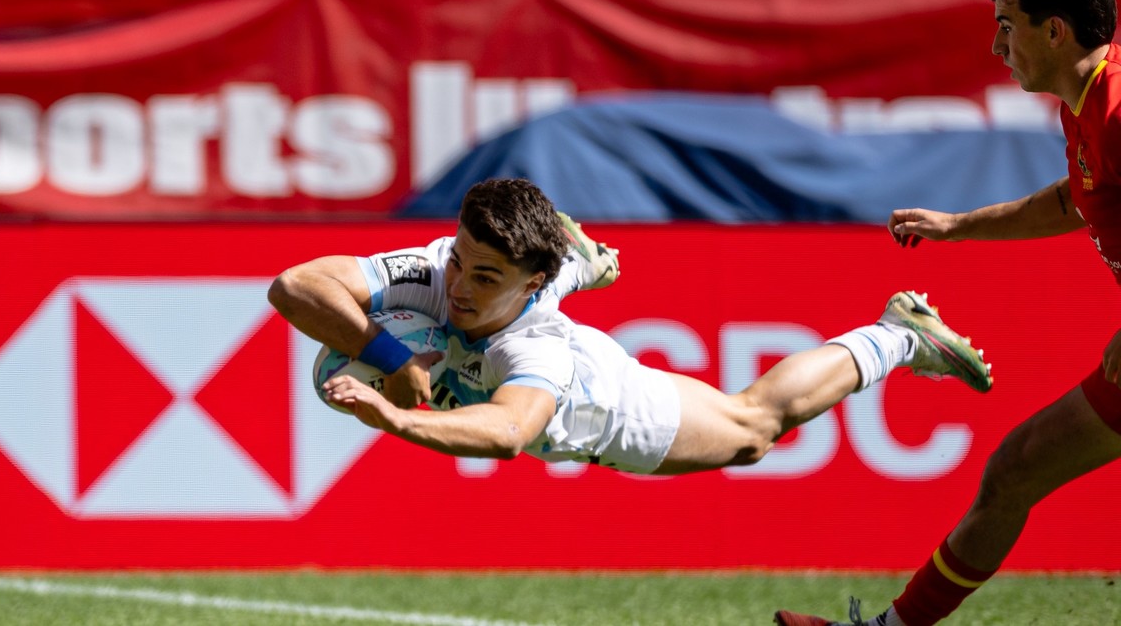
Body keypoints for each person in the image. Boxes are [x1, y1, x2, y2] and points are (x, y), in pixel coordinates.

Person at [773, 0, 1121, 625]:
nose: (996, 46)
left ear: (1055, 31)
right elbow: (1077, 199)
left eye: (1007, 27)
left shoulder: (1118, 105)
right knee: (1015, 470)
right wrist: (959, 226)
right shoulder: (1086, 105)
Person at [269, 177, 991, 478]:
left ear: (528, 282)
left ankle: (899, 334)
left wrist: (398, 417)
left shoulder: (537, 347)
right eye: (459, 259)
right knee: (470, 301)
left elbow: (510, 432)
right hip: (512, 320)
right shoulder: (433, 268)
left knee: (752, 431)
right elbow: (295, 286)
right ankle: (579, 261)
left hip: (599, 403)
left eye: (483, 275)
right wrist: (388, 354)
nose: (456, 284)